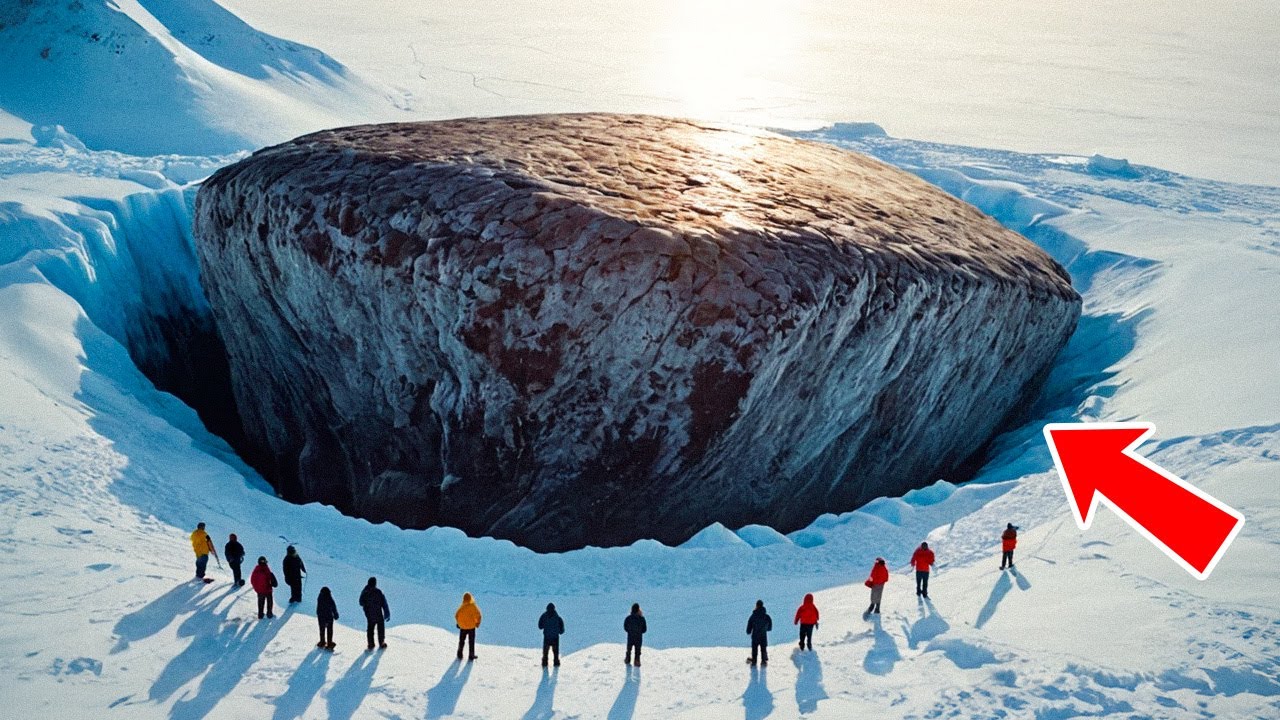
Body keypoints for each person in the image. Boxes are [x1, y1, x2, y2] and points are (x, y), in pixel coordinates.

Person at [359, 577, 390, 650]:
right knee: (381, 629)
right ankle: (381, 643)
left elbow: (361, 602)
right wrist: (387, 614)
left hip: (369, 614)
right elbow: (384, 604)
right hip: (378, 614)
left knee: (370, 629)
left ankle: (371, 644)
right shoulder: (379, 592)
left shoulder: (365, 592)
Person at [455, 592, 482, 661]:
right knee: (471, 642)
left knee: (461, 641)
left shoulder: (462, 606)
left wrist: (459, 624)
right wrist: (477, 624)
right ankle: (471, 655)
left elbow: (456, 615)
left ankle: (459, 654)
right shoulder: (473, 606)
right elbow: (478, 615)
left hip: (463, 628)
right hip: (471, 628)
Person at [537, 602, 565, 667]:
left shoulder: (543, 616)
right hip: (555, 638)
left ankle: (544, 663)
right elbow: (562, 631)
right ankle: (556, 663)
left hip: (546, 638)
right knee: (555, 653)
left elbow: (540, 626)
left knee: (545, 653)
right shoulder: (558, 618)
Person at [746, 600, 772, 666]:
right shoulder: (767, 616)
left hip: (755, 636)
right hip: (763, 636)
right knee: (763, 649)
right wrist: (766, 629)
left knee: (754, 649)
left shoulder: (753, 616)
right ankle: (763, 661)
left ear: (756, 605)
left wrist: (748, 631)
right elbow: (770, 627)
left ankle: (754, 661)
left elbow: (749, 625)